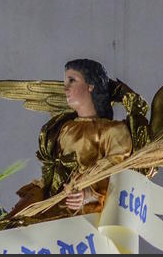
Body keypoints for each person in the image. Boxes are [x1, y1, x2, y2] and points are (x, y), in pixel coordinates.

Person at [9, 58, 133, 221]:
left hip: (84, 214)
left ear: (91, 86)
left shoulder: (113, 131)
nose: (65, 88)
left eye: (72, 80)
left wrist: (88, 194)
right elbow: (54, 173)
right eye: (65, 81)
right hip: (54, 205)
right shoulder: (65, 127)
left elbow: (117, 173)